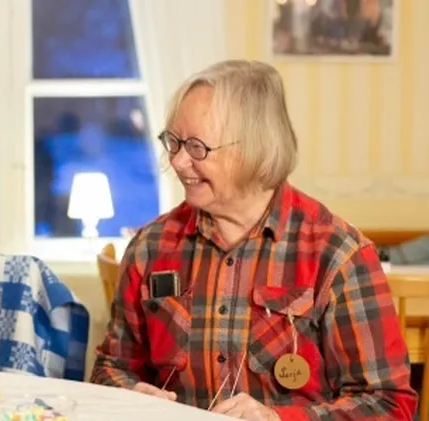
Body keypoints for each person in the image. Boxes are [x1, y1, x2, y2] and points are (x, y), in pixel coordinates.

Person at [90, 60, 417, 420]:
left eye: (197, 147)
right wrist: (129, 394)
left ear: (254, 149)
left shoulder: (338, 254)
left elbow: (388, 404)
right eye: (174, 141)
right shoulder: (150, 247)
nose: (178, 162)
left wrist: (278, 418)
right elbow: (110, 368)